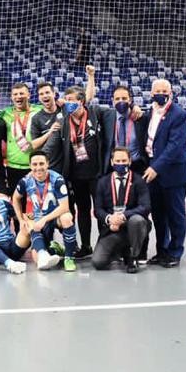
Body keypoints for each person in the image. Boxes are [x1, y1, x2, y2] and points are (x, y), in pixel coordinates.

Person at [44, 85, 113, 257]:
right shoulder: (62, 121)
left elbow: (113, 112)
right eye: (66, 100)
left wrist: (133, 107)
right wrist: (39, 160)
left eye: (71, 100)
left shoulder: (96, 114)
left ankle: (104, 246)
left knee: (100, 211)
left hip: (97, 175)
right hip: (75, 177)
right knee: (82, 211)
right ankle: (86, 246)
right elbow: (51, 146)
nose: (67, 103)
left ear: (81, 101)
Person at [143, 79, 186, 268]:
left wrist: (156, 167)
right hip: (153, 172)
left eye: (165, 90)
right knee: (158, 214)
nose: (161, 93)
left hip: (172, 172)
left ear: (171, 93)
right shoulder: (151, 111)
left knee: (175, 215)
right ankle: (162, 250)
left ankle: (175, 252)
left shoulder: (178, 114)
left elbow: (175, 146)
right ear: (151, 93)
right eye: (158, 90)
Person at [12, 151, 78, 271]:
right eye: (35, 164)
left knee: (67, 218)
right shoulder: (25, 181)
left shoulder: (57, 179)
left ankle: (69, 257)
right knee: (38, 261)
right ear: (30, 165)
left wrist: (45, 219)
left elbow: (64, 207)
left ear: (47, 163)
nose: (38, 168)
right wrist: (21, 220)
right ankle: (51, 249)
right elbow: (15, 198)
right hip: (37, 221)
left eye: (41, 163)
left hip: (54, 216)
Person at [92, 147, 151, 273]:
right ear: (112, 162)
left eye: (124, 160)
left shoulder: (139, 180)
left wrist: (123, 216)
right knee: (98, 262)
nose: (121, 164)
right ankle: (120, 251)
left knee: (137, 220)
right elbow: (98, 209)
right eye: (117, 161)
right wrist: (110, 219)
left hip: (132, 225)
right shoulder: (103, 182)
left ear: (130, 161)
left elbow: (145, 206)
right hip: (112, 229)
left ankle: (133, 257)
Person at [0, 82, 42, 191]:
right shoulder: (5, 113)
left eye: (21, 93)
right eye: (15, 94)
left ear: (28, 95)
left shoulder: (40, 110)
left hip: (37, 165)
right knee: (17, 199)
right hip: (13, 166)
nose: (18, 96)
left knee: (41, 200)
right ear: (12, 97)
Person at [107, 85, 149, 174]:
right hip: (115, 165)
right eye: (117, 99)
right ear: (113, 101)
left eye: (124, 98)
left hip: (137, 166)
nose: (121, 101)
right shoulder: (107, 117)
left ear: (130, 100)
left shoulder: (141, 118)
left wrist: (134, 106)